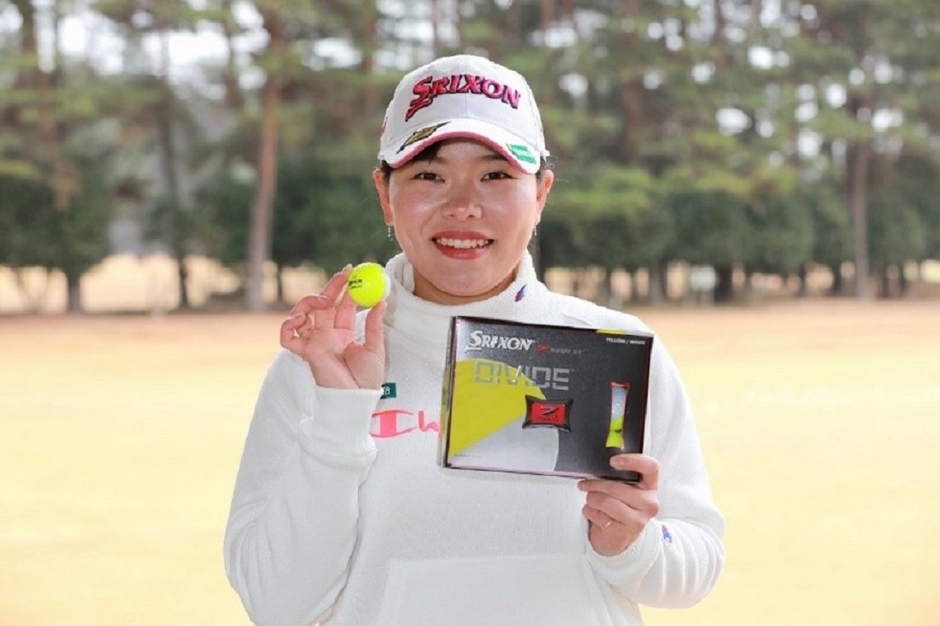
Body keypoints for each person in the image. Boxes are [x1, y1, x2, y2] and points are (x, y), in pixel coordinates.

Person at [224, 54, 725, 626]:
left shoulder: (615, 349)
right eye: (429, 176)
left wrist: (634, 546)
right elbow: (276, 605)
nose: (463, 206)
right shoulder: (318, 364)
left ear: (540, 194)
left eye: (496, 176)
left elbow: (699, 562)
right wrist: (341, 412)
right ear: (385, 194)